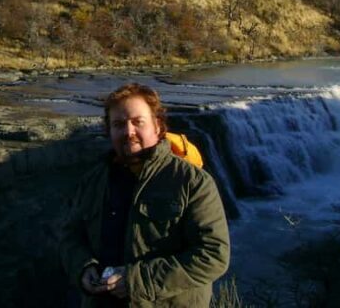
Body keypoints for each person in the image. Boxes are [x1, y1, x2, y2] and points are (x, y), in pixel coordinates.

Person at [60, 83, 230, 307]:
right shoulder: (93, 181)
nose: (128, 132)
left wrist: (136, 281)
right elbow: (71, 237)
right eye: (119, 124)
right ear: (108, 130)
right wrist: (83, 267)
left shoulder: (192, 182)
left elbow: (213, 255)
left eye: (137, 122)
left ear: (158, 127)